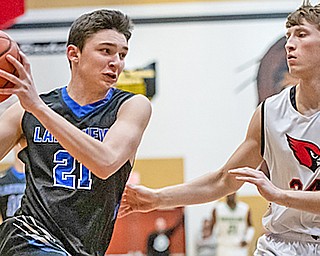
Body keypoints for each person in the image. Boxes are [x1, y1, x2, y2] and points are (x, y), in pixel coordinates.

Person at [119, 1, 320, 255]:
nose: (289, 44)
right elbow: (224, 180)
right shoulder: (270, 112)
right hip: (281, 244)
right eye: (288, 35)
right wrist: (158, 199)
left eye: (301, 34)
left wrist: (278, 195)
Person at [0, 9, 152, 256]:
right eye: (106, 51)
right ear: (74, 54)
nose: (117, 62)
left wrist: (37, 107)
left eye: (122, 54)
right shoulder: (25, 110)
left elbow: (105, 162)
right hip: (28, 236)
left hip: (83, 248)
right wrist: (35, 107)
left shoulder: (131, 107)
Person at [0, 144, 26, 222]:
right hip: (8, 230)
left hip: (35, 230)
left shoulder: (39, 179)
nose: (22, 146)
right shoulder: (3, 180)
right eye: (19, 143)